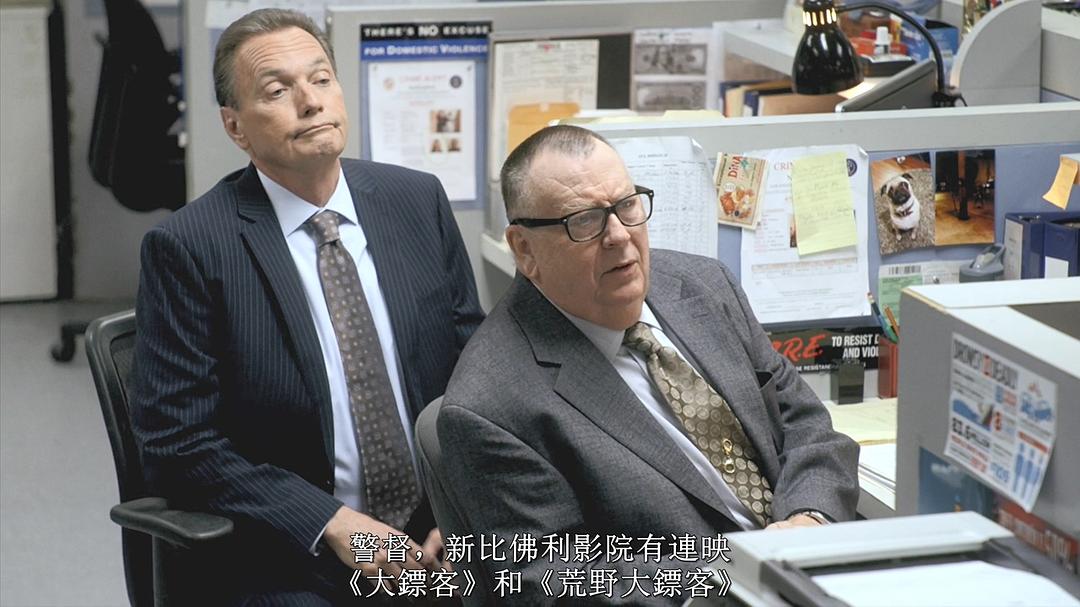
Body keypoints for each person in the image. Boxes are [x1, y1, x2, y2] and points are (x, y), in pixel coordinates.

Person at [130, 8, 483, 603]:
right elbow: (178, 443)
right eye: (278, 90)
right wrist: (333, 524)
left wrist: (462, 507)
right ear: (235, 127)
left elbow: (477, 375)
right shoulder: (190, 247)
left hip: (437, 535)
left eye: (321, 79)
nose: (311, 101)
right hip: (296, 550)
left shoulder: (416, 201)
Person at [435, 125, 859, 601]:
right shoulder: (489, 406)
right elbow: (557, 582)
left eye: (627, 205)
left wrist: (809, 519)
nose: (619, 235)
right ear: (525, 249)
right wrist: (743, 569)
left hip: (814, 570)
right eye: (585, 221)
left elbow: (806, 425)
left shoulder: (704, 285)